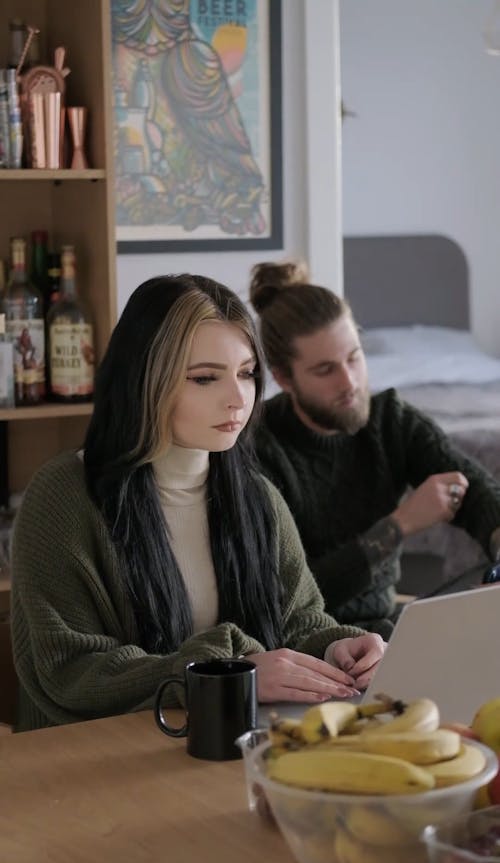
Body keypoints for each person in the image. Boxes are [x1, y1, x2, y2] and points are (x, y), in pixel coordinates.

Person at [11, 273, 385, 731]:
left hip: (229, 746)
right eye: (205, 378)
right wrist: (226, 674)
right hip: (94, 764)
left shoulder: (257, 497)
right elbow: (70, 671)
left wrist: (335, 647)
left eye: (246, 374)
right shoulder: (65, 497)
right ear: (145, 379)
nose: (237, 399)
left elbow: (300, 621)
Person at [249, 260, 500, 640]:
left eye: (354, 357)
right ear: (284, 378)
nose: (349, 382)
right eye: (325, 370)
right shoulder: (259, 450)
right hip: (312, 645)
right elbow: (289, 599)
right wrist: (399, 526)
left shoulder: (391, 420)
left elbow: (477, 490)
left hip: (390, 629)